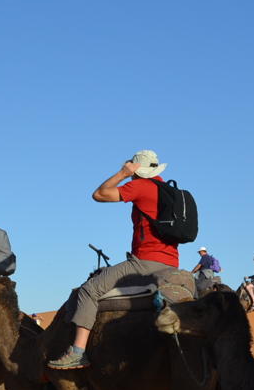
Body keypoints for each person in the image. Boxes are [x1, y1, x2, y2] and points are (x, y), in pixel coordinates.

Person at [49, 150, 179, 369]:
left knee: (89, 289)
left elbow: (99, 194)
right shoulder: (169, 190)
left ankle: (77, 352)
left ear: (137, 169)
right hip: (171, 263)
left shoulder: (141, 185)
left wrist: (123, 173)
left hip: (145, 262)